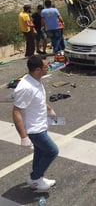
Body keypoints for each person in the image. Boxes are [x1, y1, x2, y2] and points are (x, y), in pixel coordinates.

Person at [12, 55, 59, 191]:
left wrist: (49, 110)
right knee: (52, 151)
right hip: (34, 130)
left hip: (40, 125)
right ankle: (35, 177)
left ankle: (38, 177)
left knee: (39, 152)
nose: (49, 68)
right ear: (38, 69)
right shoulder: (26, 87)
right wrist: (23, 136)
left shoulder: (35, 80)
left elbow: (37, 100)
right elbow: (16, 112)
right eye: (46, 66)